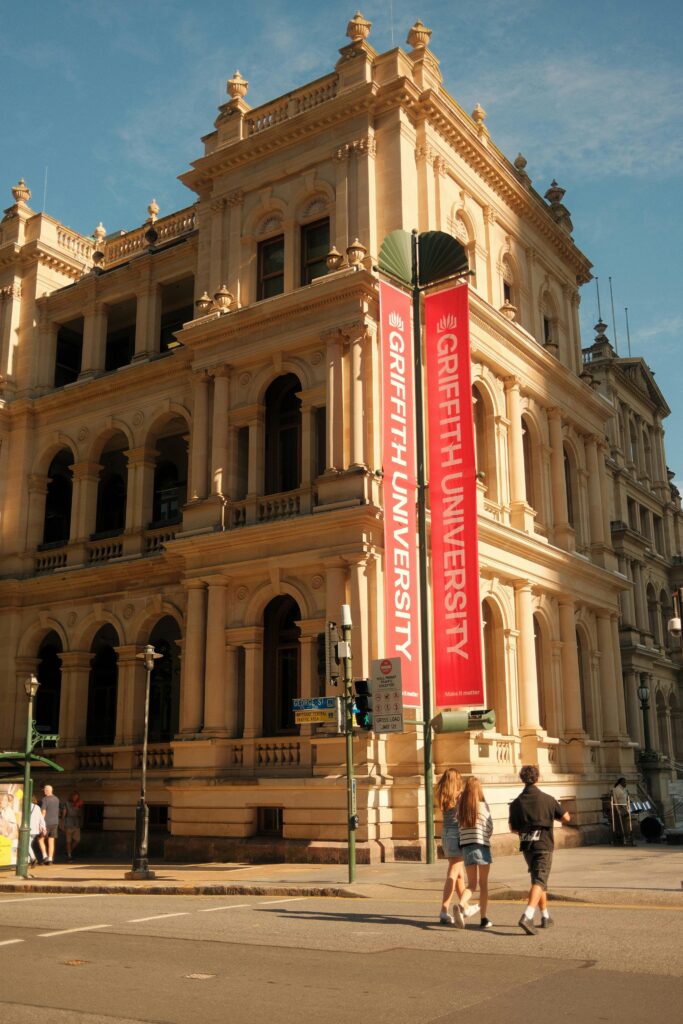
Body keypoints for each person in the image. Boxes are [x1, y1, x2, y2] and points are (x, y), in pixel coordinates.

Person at [508, 765, 570, 935]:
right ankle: (528, 915)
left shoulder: (515, 803)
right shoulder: (548, 799)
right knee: (540, 880)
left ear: (522, 779)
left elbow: (512, 828)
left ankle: (545, 916)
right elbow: (566, 817)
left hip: (527, 846)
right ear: (537, 778)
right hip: (543, 845)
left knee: (538, 880)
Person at [435, 768, 478, 928]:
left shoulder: (442, 794)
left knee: (459, 874)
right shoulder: (459, 795)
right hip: (457, 835)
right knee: (453, 872)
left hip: (445, 834)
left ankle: (465, 907)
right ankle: (444, 910)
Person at [457, 776, 494, 929]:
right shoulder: (483, 806)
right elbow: (489, 828)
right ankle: (483, 918)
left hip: (466, 847)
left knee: (471, 884)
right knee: (483, 884)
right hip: (481, 846)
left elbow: (459, 829)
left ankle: (461, 903)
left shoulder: (461, 808)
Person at [38, 784, 61, 864]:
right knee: (51, 840)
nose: (44, 792)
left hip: (46, 822)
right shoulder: (57, 799)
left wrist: (41, 822)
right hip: (55, 822)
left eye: (44, 790)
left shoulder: (45, 799)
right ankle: (50, 859)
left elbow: (43, 811)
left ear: (47, 791)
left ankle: (45, 857)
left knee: (40, 839)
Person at [61, 791, 84, 860]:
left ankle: (68, 851)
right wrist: (62, 823)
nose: (75, 798)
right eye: (74, 796)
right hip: (68, 823)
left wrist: (79, 808)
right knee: (68, 841)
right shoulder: (67, 803)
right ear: (71, 797)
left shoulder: (79, 803)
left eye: (76, 797)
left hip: (76, 824)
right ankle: (69, 855)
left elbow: (81, 814)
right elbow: (64, 814)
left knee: (77, 840)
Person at [610, 777, 632, 844]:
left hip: (625, 807)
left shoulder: (625, 789)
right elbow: (615, 800)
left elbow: (626, 798)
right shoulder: (616, 789)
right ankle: (622, 838)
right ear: (620, 783)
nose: (625, 783)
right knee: (622, 823)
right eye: (624, 782)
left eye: (625, 782)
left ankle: (627, 837)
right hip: (620, 807)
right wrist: (618, 809)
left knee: (626, 823)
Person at [29, 793, 46, 866]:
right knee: (28, 844)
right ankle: (29, 860)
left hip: (28, 828)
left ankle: (33, 858)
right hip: (35, 829)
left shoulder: (26, 806)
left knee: (26, 844)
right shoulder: (37, 807)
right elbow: (41, 818)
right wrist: (43, 827)